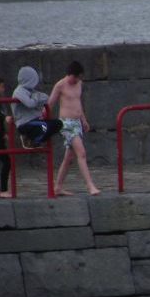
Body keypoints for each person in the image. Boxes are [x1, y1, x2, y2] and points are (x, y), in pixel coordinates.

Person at [47, 61, 101, 196]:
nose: (76, 80)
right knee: (81, 152)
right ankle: (90, 186)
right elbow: (50, 104)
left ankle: (58, 187)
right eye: (75, 77)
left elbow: (78, 103)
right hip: (66, 123)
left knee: (69, 158)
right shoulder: (60, 85)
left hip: (77, 122)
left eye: (78, 78)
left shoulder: (79, 84)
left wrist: (83, 120)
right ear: (70, 75)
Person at [12, 65, 62, 149]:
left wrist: (35, 96)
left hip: (35, 122)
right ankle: (29, 140)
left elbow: (45, 97)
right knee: (46, 127)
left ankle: (34, 140)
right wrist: (36, 97)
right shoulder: (18, 91)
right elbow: (30, 103)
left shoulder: (31, 91)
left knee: (57, 124)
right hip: (25, 124)